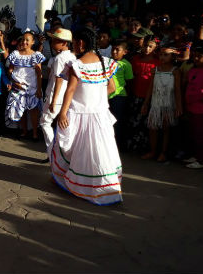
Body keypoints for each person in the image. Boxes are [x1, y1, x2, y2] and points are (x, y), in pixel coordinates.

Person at [50, 28, 122, 205]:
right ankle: (106, 188)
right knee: (102, 151)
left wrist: (63, 112)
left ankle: (85, 185)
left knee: (77, 148)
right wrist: (95, 95)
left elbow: (71, 89)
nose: (73, 45)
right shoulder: (105, 62)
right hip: (100, 115)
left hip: (82, 115)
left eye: (74, 41)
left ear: (81, 43)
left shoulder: (78, 64)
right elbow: (112, 88)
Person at [140, 46, 182, 162]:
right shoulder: (156, 70)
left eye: (166, 55)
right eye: (161, 54)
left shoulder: (175, 71)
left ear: (172, 57)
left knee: (165, 129)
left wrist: (179, 106)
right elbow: (150, 88)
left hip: (168, 103)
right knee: (152, 128)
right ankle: (153, 151)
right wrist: (146, 103)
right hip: (156, 103)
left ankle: (163, 153)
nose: (162, 57)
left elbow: (178, 90)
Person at [5, 32, 46, 140]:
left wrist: (39, 89)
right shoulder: (15, 54)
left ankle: (35, 133)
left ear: (33, 42)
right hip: (18, 86)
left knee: (33, 110)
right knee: (20, 109)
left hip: (33, 86)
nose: (24, 42)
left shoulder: (36, 55)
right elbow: (10, 70)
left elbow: (39, 73)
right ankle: (24, 131)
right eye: (23, 39)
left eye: (27, 40)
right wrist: (14, 82)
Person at [40, 27, 75, 151]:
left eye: (56, 40)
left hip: (56, 95)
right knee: (62, 125)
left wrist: (53, 101)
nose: (52, 42)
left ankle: (52, 151)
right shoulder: (72, 57)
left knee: (45, 122)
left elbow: (59, 80)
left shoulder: (59, 58)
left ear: (64, 43)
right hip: (66, 97)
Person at [126, 35, 159, 154]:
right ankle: (133, 147)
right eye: (145, 45)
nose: (147, 49)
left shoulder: (158, 61)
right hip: (136, 95)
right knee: (135, 121)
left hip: (150, 96)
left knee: (147, 124)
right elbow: (132, 77)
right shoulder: (135, 59)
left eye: (150, 46)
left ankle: (146, 149)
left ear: (155, 47)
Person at [108, 40, 134, 152]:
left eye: (117, 50)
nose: (114, 52)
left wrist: (128, 97)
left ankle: (115, 146)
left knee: (116, 122)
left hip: (119, 96)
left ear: (125, 52)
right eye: (113, 49)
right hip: (106, 96)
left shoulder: (126, 64)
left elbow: (130, 82)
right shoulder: (107, 62)